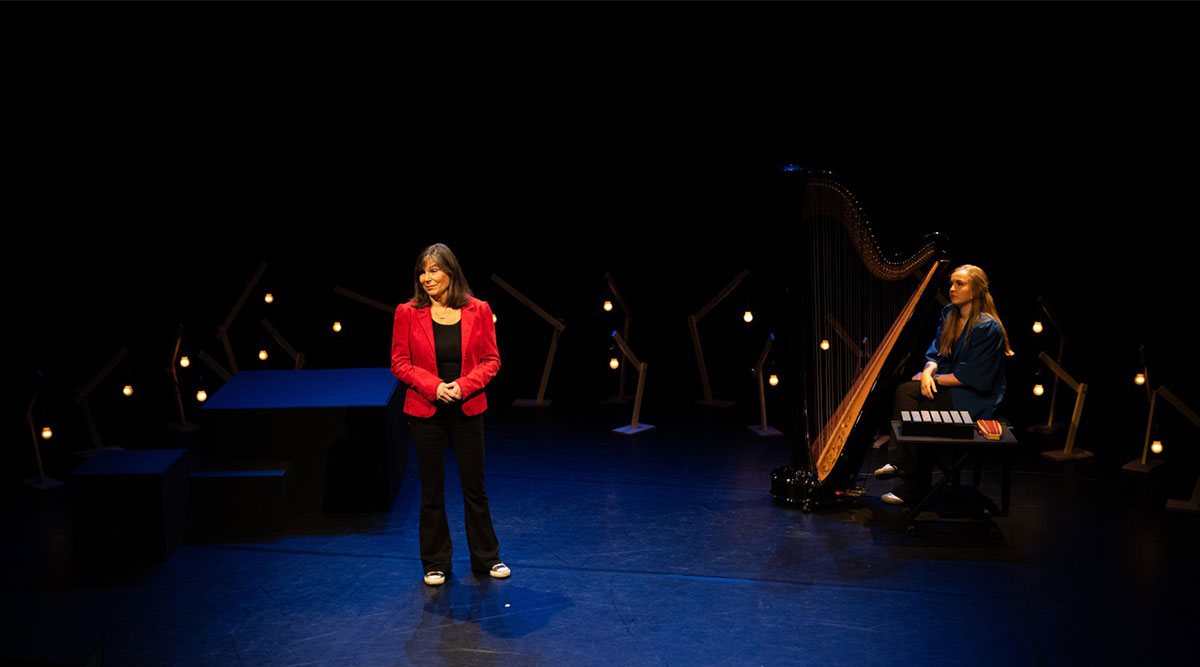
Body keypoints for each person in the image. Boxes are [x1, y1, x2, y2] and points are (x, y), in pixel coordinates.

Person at [391, 243, 509, 586]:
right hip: (426, 411)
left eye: (433, 270)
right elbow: (400, 362)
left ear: (450, 273)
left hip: (467, 409)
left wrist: (463, 385)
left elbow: (491, 360)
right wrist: (433, 387)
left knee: (475, 488)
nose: (426, 278)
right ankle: (435, 562)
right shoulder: (407, 312)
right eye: (422, 272)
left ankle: (486, 558)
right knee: (431, 490)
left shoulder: (479, 310)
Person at [876, 264, 1013, 505]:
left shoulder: (986, 327)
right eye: (951, 283)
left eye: (959, 284)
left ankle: (910, 482)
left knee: (913, 405)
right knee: (907, 392)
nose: (952, 288)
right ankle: (907, 473)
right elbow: (936, 352)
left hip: (973, 397)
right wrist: (928, 371)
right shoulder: (950, 314)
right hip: (950, 388)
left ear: (975, 291)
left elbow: (970, 377)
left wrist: (933, 379)